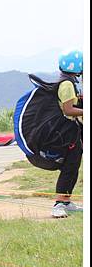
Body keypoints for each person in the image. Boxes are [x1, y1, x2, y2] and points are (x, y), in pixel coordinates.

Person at [51, 49, 84, 218]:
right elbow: (68, 109)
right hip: (68, 132)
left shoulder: (68, 81)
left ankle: (67, 201)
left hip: (72, 131)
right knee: (69, 167)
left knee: (74, 166)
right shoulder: (67, 84)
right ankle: (58, 204)